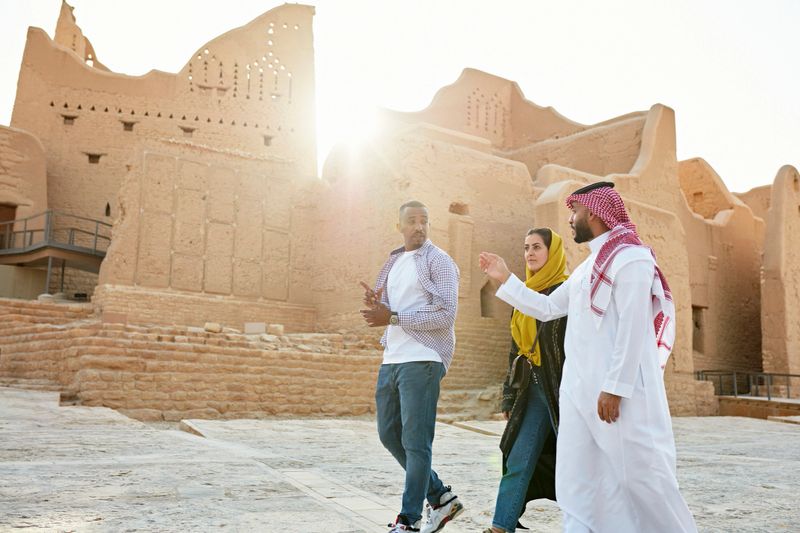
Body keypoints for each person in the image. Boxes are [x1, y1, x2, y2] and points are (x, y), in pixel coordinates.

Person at [479, 182, 697, 533]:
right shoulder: (588, 267)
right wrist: (506, 279)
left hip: (616, 397)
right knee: (578, 479)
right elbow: (548, 308)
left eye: (575, 212)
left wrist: (615, 387)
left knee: (641, 477)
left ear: (593, 212)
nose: (570, 219)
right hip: (578, 395)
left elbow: (632, 326)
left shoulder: (632, 258)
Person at [360, 200, 464, 533]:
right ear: (399, 226)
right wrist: (380, 306)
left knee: (417, 442)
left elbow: (446, 314)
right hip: (392, 357)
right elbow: (394, 307)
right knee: (389, 434)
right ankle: (441, 497)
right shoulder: (393, 261)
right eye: (412, 221)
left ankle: (409, 520)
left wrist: (391, 316)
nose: (419, 226)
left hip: (424, 358)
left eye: (424, 220)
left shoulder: (440, 261)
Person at [485, 228, 569, 533]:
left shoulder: (565, 292)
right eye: (526, 248)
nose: (530, 253)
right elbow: (514, 350)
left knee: (581, 465)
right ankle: (500, 526)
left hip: (563, 394)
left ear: (552, 251)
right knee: (518, 459)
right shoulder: (521, 294)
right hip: (532, 391)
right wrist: (509, 396)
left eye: (537, 247)